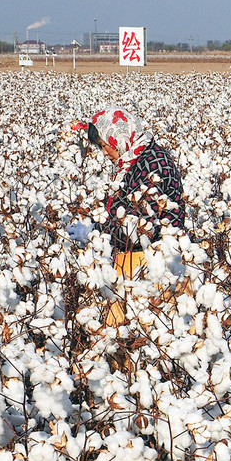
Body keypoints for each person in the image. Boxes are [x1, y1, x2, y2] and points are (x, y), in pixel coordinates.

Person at [71, 107, 188, 324]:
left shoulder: (154, 164)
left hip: (152, 269)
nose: (105, 153)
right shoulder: (135, 159)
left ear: (118, 137)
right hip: (134, 265)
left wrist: (96, 235)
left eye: (105, 146)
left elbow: (139, 230)